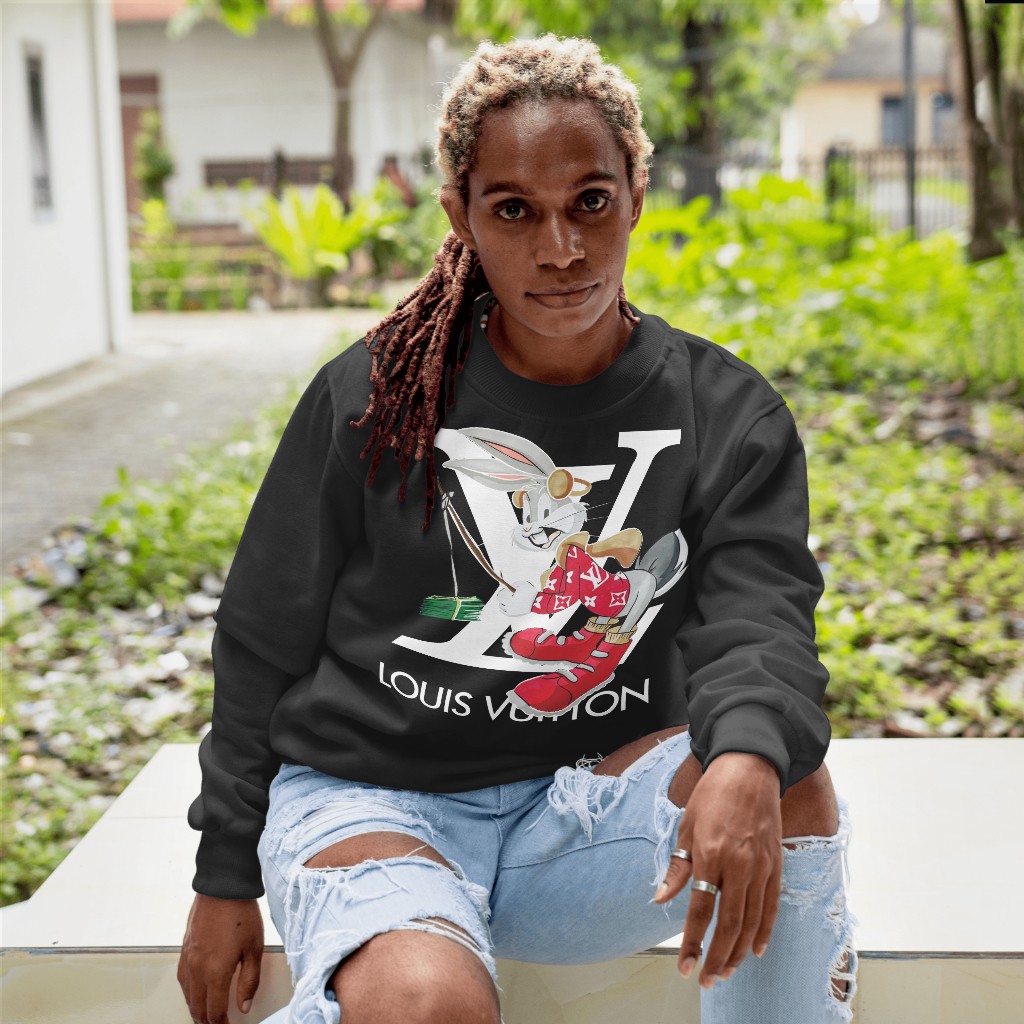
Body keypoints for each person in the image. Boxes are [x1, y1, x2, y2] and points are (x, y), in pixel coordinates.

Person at [178, 35, 857, 1024]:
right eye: (514, 210)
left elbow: (759, 619)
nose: (560, 249)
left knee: (782, 773)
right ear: (460, 214)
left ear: (637, 194)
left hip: (577, 819)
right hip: (372, 804)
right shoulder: (373, 399)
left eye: (591, 201)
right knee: (430, 1006)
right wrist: (223, 874)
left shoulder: (725, 412)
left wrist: (747, 755)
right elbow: (259, 640)